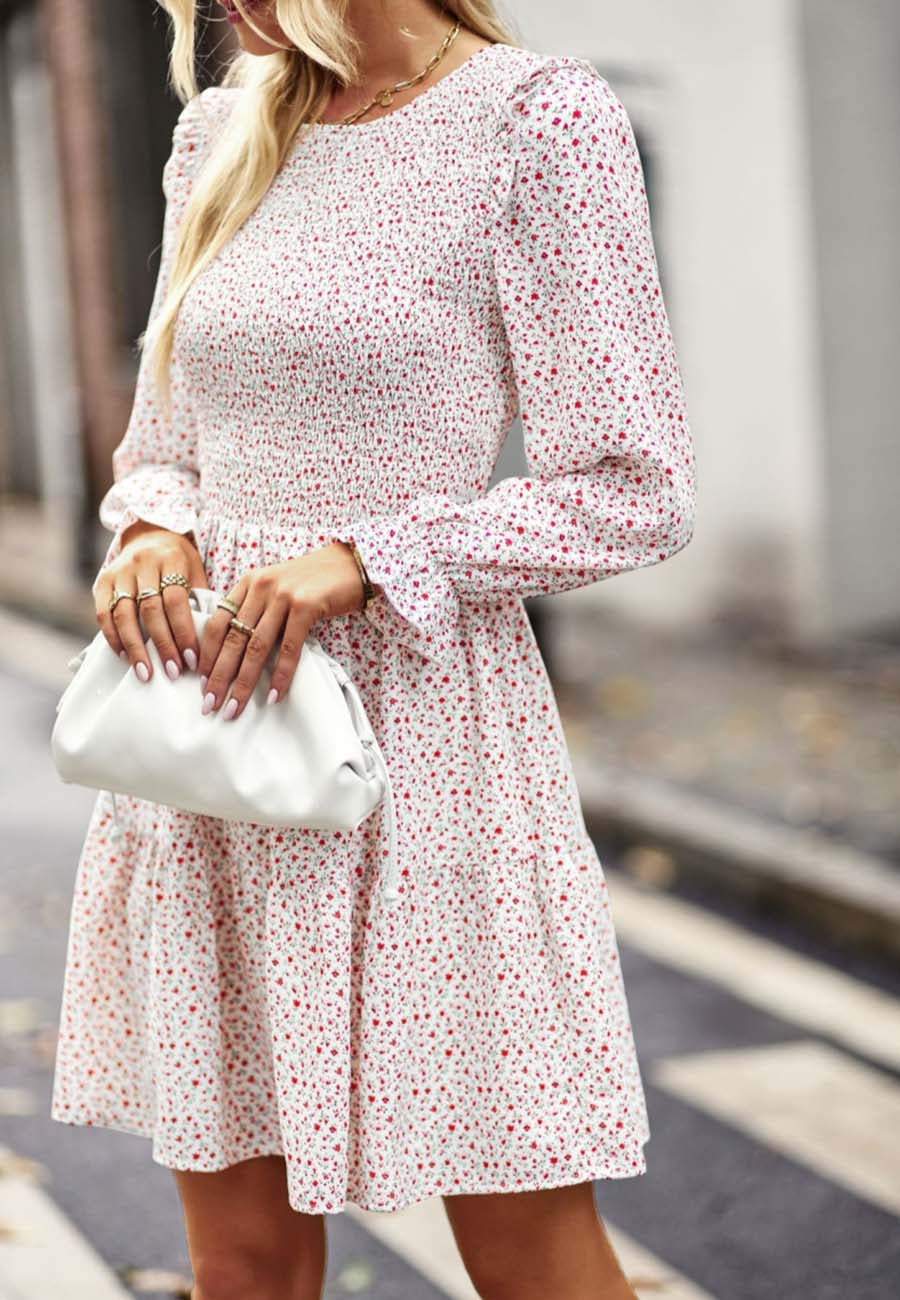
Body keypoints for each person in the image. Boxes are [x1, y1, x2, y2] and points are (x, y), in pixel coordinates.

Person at [50, 2, 696, 1297]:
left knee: (528, 1256)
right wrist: (152, 531)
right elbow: (164, 445)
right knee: (238, 1265)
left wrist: (371, 559)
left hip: (424, 757)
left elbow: (634, 485)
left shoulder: (536, 123)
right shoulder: (222, 130)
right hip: (215, 747)